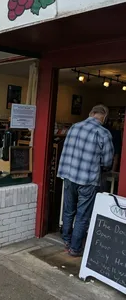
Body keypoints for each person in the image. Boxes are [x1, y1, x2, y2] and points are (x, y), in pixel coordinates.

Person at [57, 105, 114, 257]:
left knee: (68, 211)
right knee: (82, 215)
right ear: (104, 117)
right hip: (88, 180)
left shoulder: (74, 127)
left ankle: (67, 241)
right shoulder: (103, 133)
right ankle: (75, 249)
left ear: (91, 113)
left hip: (69, 175)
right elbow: (108, 161)